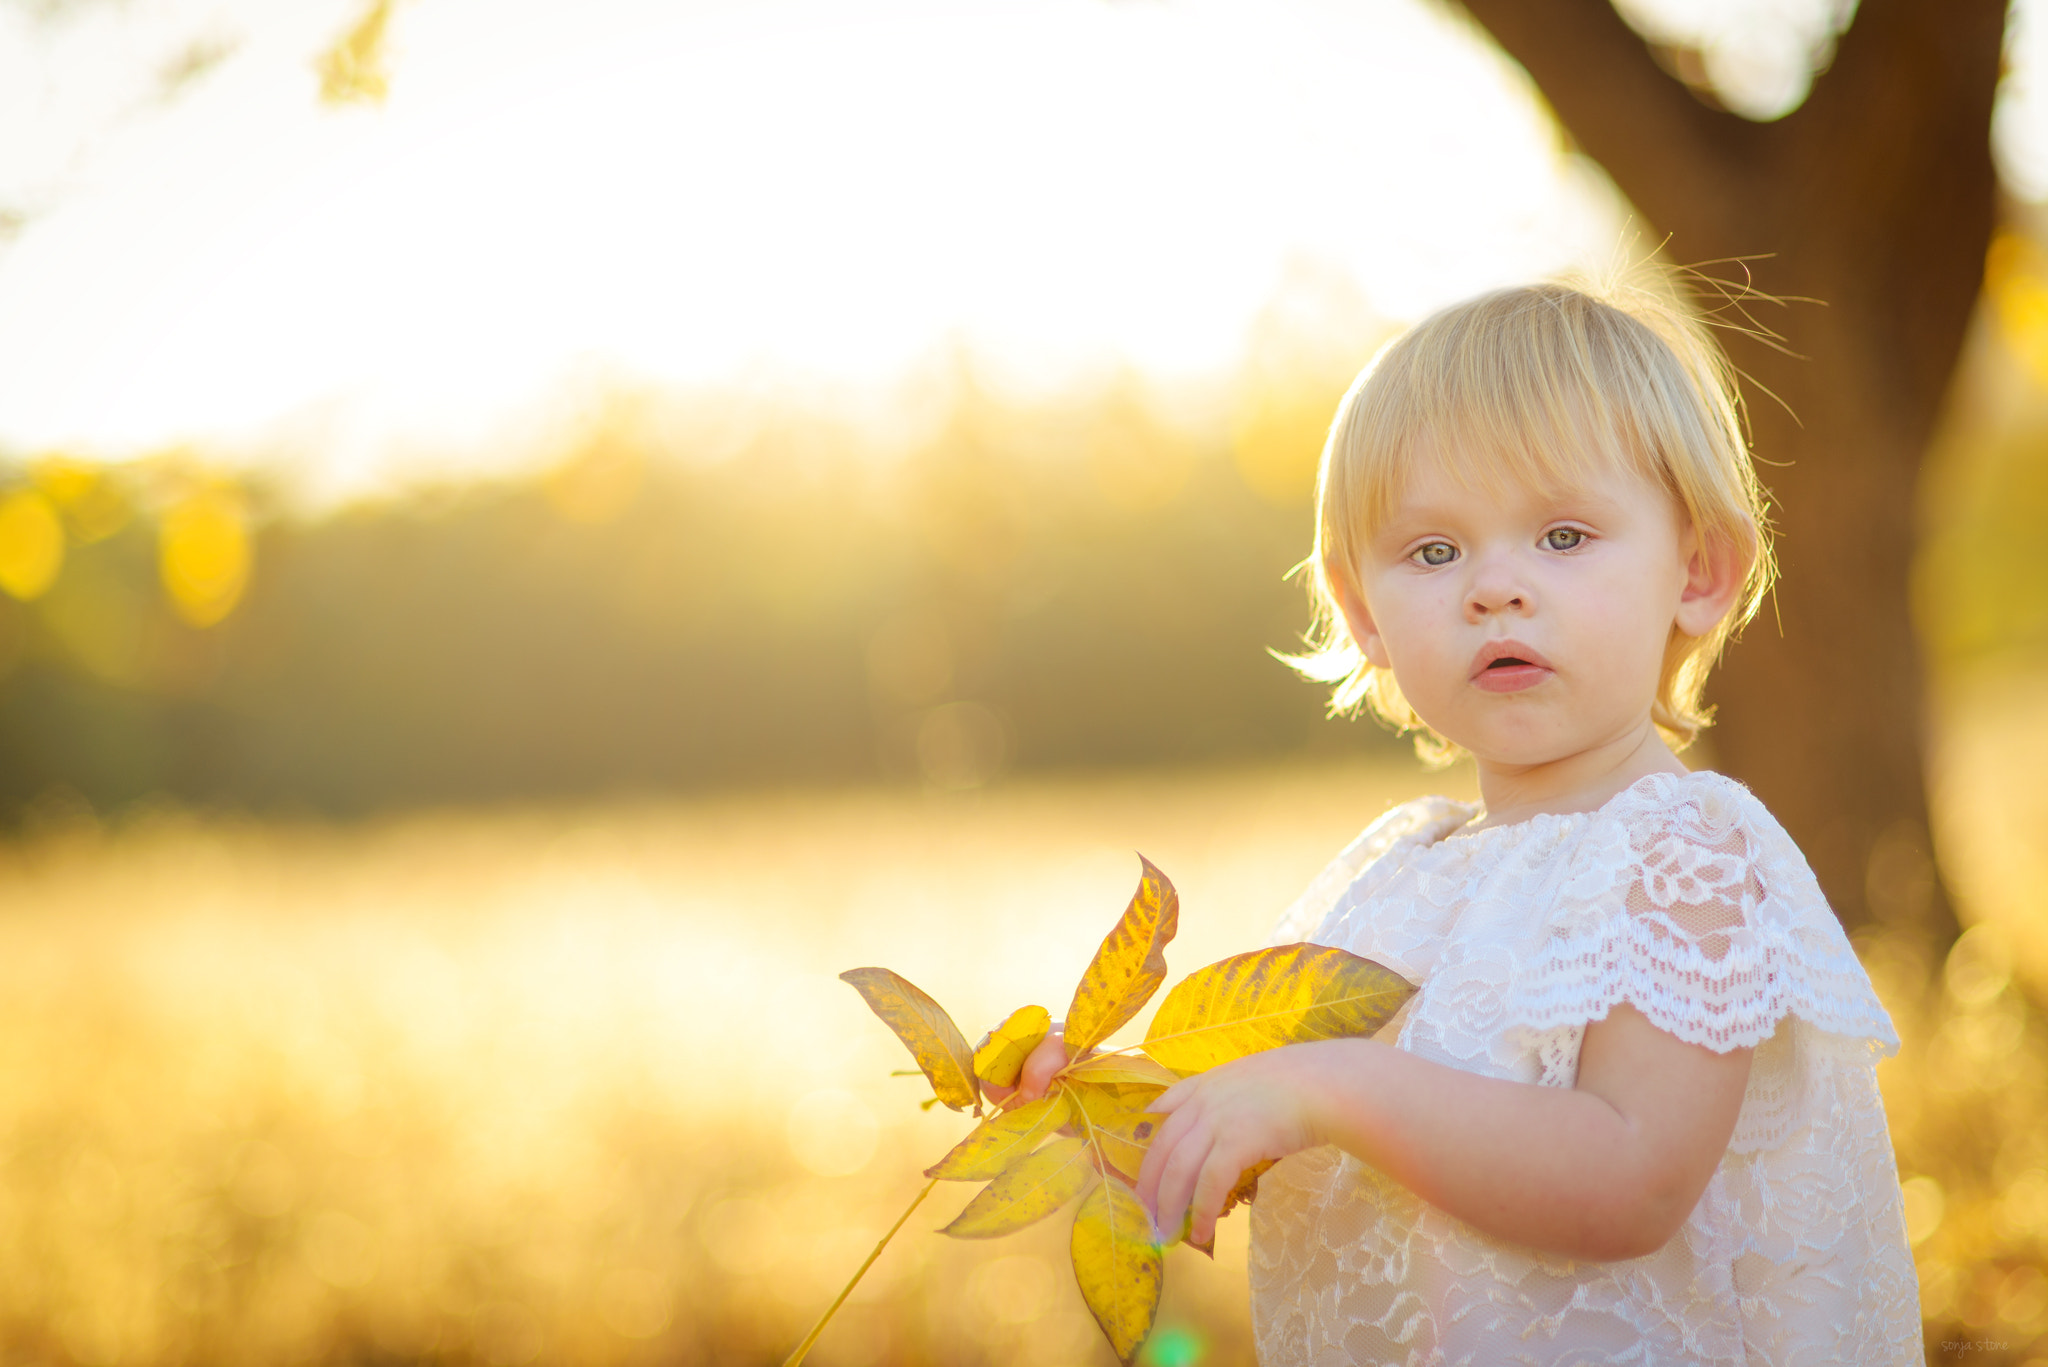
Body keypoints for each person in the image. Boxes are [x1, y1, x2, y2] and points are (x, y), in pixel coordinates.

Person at [1010, 281, 1921, 1363]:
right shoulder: (1395, 877)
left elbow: (1626, 1179)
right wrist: (1121, 1097)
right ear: (1362, 614)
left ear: (1696, 570)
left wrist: (1330, 1084)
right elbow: (1303, 1127)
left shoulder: (1682, 857)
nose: (1494, 586)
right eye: (1433, 552)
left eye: (1562, 534)